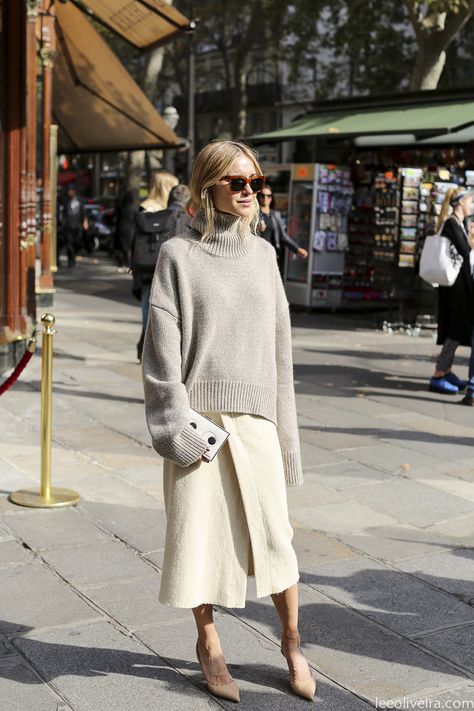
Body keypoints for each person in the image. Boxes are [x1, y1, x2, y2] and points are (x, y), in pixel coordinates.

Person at [141, 140, 316, 703]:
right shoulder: (177, 255)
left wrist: (285, 429)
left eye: (256, 182)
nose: (250, 192)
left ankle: (291, 640)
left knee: (274, 539)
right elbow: (160, 353)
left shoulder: (265, 256)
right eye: (237, 182)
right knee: (198, 538)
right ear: (207, 187)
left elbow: (280, 349)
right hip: (199, 419)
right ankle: (208, 644)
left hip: (257, 416)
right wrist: (175, 426)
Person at [429, 186, 474, 397]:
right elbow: (465, 251)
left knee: (456, 330)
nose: (472, 205)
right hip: (454, 288)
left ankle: (446, 371)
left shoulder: (458, 224)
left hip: (458, 286)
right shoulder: (452, 224)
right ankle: (438, 374)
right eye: (470, 201)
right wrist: (472, 240)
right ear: (460, 202)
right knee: (454, 331)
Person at [133, 171, 179, 361]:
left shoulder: (143, 209)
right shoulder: (172, 213)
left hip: (146, 270)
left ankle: (147, 353)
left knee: (148, 316)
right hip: (164, 269)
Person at [257, 185, 308, 275]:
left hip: (272, 255)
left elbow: (283, 236)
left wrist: (297, 249)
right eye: (262, 195)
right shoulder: (254, 214)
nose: (266, 198)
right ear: (258, 197)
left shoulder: (275, 215)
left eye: (269, 196)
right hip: (257, 254)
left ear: (271, 198)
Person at [62, 184, 88, 268]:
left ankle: (74, 258)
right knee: (69, 244)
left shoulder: (80, 200)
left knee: (76, 243)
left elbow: (84, 212)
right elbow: (64, 214)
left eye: (71, 190)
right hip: (68, 226)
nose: (69, 192)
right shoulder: (66, 201)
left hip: (78, 225)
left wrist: (85, 221)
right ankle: (71, 261)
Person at [114, 191, 137, 272]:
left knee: (120, 248)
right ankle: (128, 265)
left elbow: (117, 219)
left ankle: (120, 265)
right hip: (131, 230)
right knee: (129, 249)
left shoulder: (121, 207)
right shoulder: (135, 208)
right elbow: (136, 220)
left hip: (121, 229)